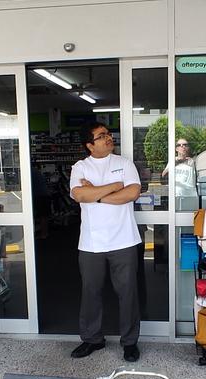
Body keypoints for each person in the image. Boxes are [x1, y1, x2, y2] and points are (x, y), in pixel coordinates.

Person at [68, 122, 142, 362]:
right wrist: (113, 187)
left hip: (124, 240)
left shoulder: (124, 163)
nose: (108, 138)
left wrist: (96, 196)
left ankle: (130, 342)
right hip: (91, 243)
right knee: (91, 293)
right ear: (90, 145)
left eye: (108, 134)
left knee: (127, 292)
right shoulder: (80, 167)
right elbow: (80, 195)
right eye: (101, 136)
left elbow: (132, 193)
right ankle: (92, 339)